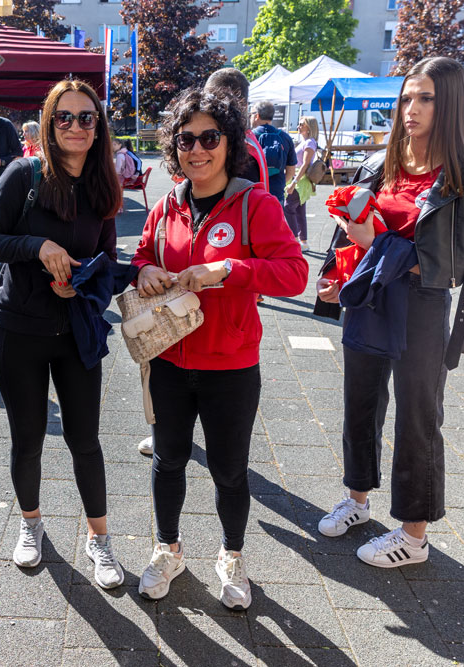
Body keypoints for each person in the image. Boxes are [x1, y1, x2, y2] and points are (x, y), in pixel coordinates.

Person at [313, 56, 464, 569]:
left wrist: (377, 244)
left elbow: (450, 266)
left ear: (451, 103)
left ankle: (414, 537)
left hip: (420, 305)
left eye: (426, 98)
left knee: (418, 418)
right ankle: (356, 499)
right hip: (369, 299)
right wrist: (337, 275)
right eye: (406, 97)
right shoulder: (381, 163)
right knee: (359, 404)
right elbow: (351, 228)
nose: (410, 109)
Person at [131, 87, 308, 608]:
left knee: (230, 471)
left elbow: (294, 273)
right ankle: (168, 549)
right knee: (168, 461)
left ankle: (232, 555)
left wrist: (226, 269)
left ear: (230, 142)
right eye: (186, 139)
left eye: (209, 137)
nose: (197, 149)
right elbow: (141, 255)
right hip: (168, 359)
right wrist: (145, 270)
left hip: (231, 367)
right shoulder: (166, 205)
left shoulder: (257, 204)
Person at [0, 79, 128, 590]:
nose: (76, 126)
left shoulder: (103, 184)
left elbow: (106, 263)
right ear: (49, 123)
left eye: (86, 117)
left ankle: (99, 538)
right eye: (65, 117)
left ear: (98, 127)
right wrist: (38, 246)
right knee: (29, 438)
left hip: (76, 330)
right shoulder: (26, 174)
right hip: (18, 330)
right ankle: (31, 523)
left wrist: (85, 283)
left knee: (85, 440)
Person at [250, 100, 296, 205]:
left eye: (251, 114)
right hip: (276, 194)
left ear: (257, 116)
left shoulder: (249, 138)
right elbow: (291, 171)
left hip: (253, 194)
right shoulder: (285, 137)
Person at [284, 116, 319, 250]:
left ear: (309, 127)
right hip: (300, 180)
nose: (298, 127)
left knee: (288, 207)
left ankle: (295, 240)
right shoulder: (307, 142)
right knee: (299, 210)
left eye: (301, 124)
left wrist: (293, 183)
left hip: (300, 180)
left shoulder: (309, 143)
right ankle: (303, 242)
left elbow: (305, 165)